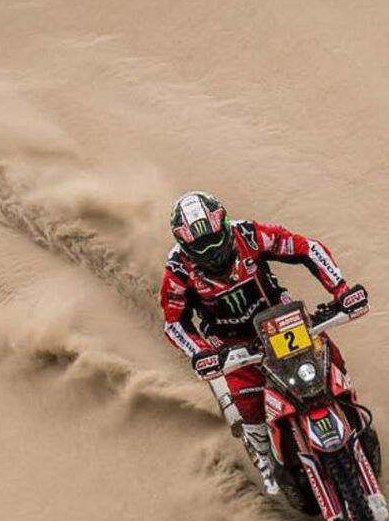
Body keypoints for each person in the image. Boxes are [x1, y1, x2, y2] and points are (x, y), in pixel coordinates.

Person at [158, 191, 369, 494]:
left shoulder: (251, 235)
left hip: (280, 321)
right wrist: (201, 352)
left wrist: (341, 290)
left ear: (224, 226)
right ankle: (264, 457)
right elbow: (174, 322)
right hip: (231, 342)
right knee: (249, 400)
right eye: (200, 245)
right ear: (184, 245)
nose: (211, 250)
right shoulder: (178, 270)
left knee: (330, 359)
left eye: (214, 239)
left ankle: (350, 411)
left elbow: (307, 249)